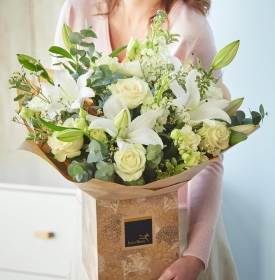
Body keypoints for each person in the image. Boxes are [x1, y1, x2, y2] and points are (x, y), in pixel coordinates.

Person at [53, 0, 239, 279]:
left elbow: (211, 152)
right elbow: (57, 107)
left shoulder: (189, 28)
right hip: (96, 223)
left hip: (176, 229)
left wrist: (196, 255)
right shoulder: (77, 10)